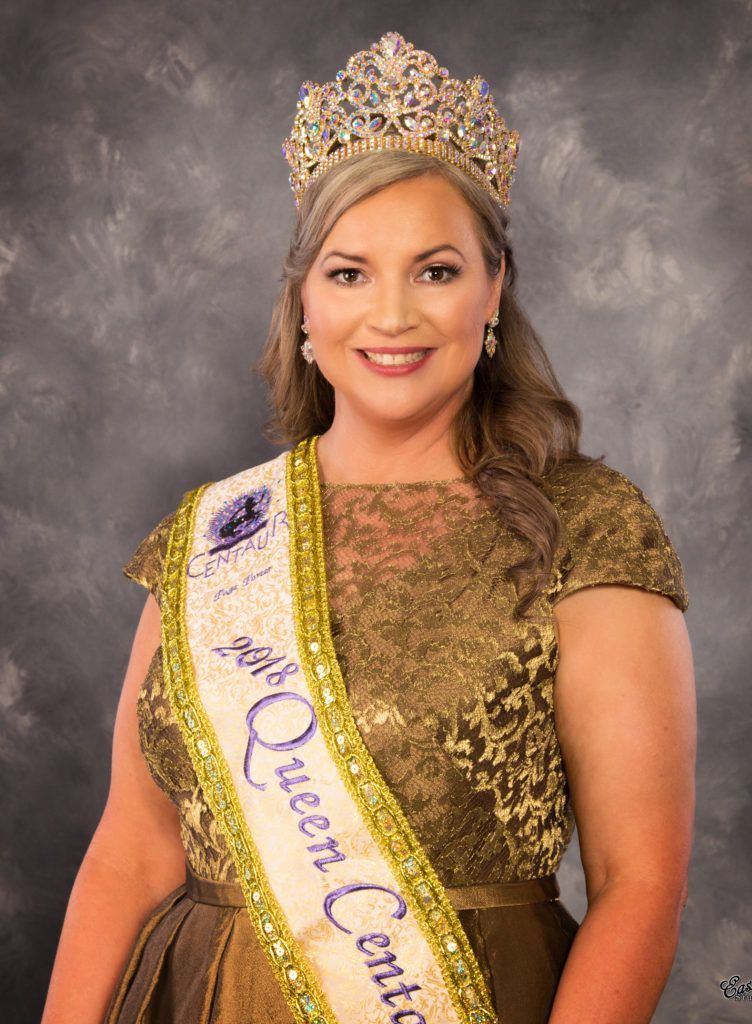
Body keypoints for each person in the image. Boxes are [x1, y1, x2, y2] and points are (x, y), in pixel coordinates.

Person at [42, 30, 696, 1024]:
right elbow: (130, 854)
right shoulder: (212, 534)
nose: (389, 315)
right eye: (349, 273)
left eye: (433, 271)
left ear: (491, 293)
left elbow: (638, 883)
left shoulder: (588, 525)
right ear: (303, 299)